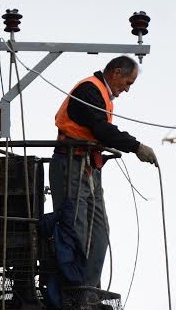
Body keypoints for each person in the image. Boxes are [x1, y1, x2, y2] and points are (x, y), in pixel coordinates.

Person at [49, 56, 158, 289]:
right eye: (128, 83)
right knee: (75, 227)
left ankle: (89, 289)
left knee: (99, 231)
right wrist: (136, 147)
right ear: (116, 73)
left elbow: (100, 130)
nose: (127, 90)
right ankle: (73, 289)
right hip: (71, 164)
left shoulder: (100, 94)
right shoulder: (90, 90)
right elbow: (101, 129)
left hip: (88, 167)